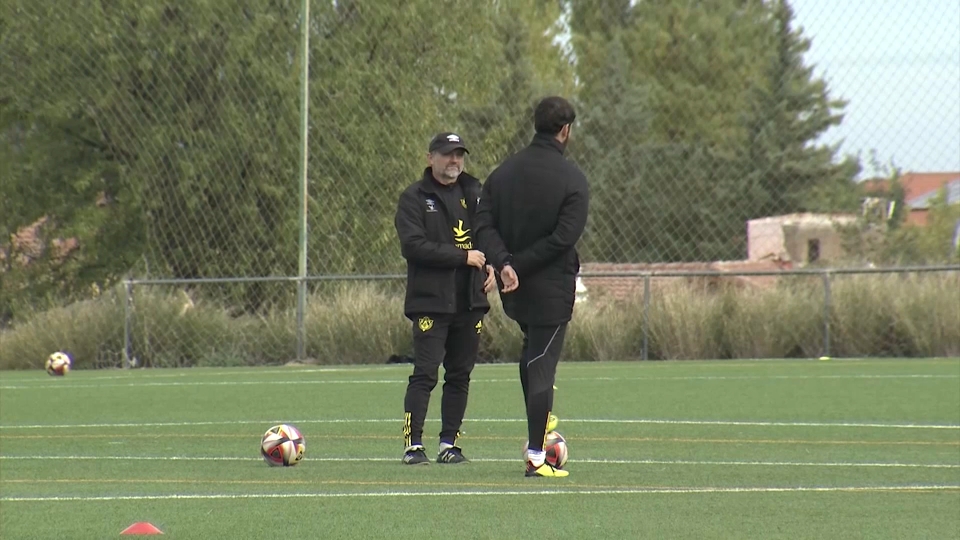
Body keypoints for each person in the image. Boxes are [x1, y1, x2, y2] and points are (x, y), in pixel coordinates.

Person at [475, 97, 589, 478]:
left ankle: (539, 425)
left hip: (515, 292)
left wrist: (504, 263)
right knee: (541, 365)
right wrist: (517, 265)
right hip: (551, 288)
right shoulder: (573, 180)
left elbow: (483, 224)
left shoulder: (502, 174)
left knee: (530, 355)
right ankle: (537, 456)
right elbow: (563, 239)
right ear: (565, 130)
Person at [394, 132, 497, 465]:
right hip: (431, 301)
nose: (455, 160)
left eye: (459, 155)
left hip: (470, 300)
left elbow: (489, 236)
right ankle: (413, 445)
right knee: (425, 373)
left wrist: (494, 265)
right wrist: (462, 256)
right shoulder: (414, 197)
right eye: (448, 154)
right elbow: (413, 246)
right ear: (430, 158)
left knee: (460, 374)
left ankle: (449, 445)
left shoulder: (475, 193)